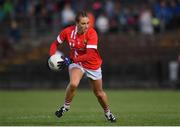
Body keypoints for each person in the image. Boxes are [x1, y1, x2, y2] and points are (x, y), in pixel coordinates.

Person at [49, 11, 116, 122]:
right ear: (77, 23)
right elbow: (55, 44)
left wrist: (70, 60)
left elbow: (89, 55)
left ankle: (107, 112)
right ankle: (65, 107)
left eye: (88, 23)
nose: (86, 26)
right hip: (77, 64)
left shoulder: (92, 33)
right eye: (83, 23)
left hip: (92, 64)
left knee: (99, 94)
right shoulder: (68, 31)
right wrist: (51, 58)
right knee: (74, 83)